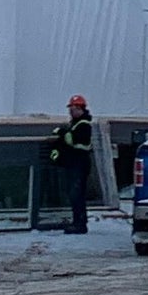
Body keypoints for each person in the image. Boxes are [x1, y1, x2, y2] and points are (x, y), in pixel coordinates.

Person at [47, 96, 98, 234]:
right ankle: (78, 221)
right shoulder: (76, 124)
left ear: (81, 109)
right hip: (74, 163)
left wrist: (62, 132)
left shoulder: (83, 125)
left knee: (77, 194)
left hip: (79, 164)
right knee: (75, 194)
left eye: (74, 109)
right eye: (71, 108)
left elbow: (72, 140)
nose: (71, 111)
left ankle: (80, 224)